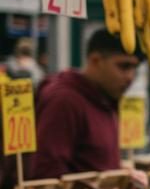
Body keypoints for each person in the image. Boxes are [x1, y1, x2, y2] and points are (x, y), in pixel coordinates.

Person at [26, 31, 141, 179]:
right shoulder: (64, 100)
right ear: (95, 61)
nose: (130, 77)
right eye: (123, 67)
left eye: (134, 69)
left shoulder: (104, 98)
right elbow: (47, 172)